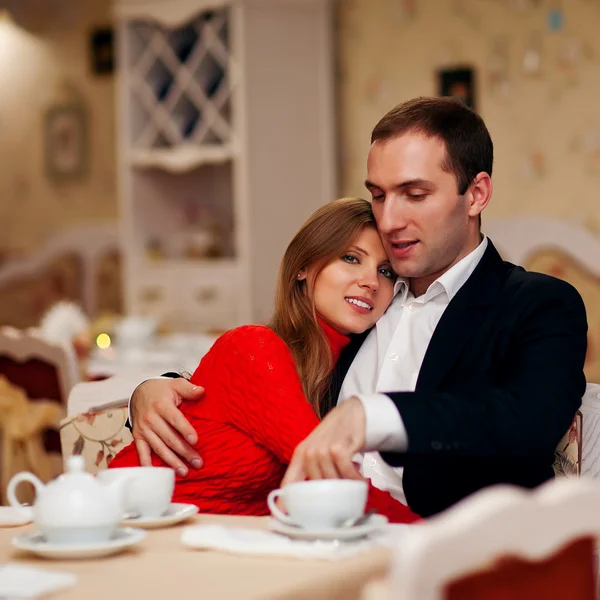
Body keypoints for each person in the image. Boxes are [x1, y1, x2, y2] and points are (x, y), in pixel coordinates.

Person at [125, 97, 588, 517]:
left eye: (415, 194)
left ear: (477, 194)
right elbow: (268, 371)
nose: (388, 220)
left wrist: (378, 416)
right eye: (379, 194)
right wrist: (154, 387)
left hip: (438, 557)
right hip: (308, 539)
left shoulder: (537, 303)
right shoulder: (364, 306)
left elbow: (526, 418)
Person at [109, 198, 420, 523]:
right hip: (124, 525)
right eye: (351, 258)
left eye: (385, 271)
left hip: (212, 542)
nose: (371, 281)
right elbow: (325, 475)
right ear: (303, 266)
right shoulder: (256, 347)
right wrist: (432, 539)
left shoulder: (341, 376)